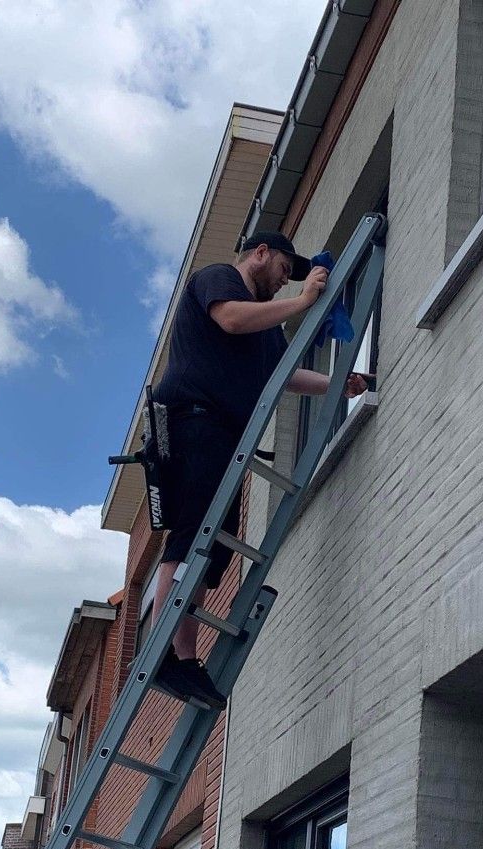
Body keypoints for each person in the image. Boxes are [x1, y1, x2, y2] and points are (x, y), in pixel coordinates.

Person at [151, 232, 368, 709]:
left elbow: (283, 375)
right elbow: (229, 319)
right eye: (284, 270)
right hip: (190, 419)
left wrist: (338, 385)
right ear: (261, 253)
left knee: (212, 549)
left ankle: (183, 658)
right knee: (192, 535)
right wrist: (304, 301)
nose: (287, 280)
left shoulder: (265, 329)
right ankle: (165, 651)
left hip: (224, 435)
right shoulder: (218, 278)